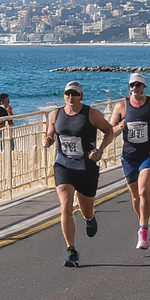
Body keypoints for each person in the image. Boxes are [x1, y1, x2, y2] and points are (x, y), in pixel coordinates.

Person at [44, 81, 116, 268]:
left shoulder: (91, 114)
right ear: (64, 95)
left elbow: (109, 131)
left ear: (81, 96)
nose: (70, 97)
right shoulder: (55, 114)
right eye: (67, 93)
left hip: (86, 168)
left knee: (86, 208)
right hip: (63, 165)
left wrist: (100, 150)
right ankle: (71, 250)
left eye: (74, 94)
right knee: (65, 205)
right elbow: (50, 134)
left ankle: (89, 218)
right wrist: (48, 139)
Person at [110, 73, 150, 250]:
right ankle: (144, 221)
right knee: (135, 196)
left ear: (144, 87)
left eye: (138, 85)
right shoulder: (121, 106)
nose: (134, 88)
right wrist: (119, 127)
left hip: (149, 154)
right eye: (132, 85)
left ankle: (143, 230)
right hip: (129, 156)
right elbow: (109, 130)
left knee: (143, 189)